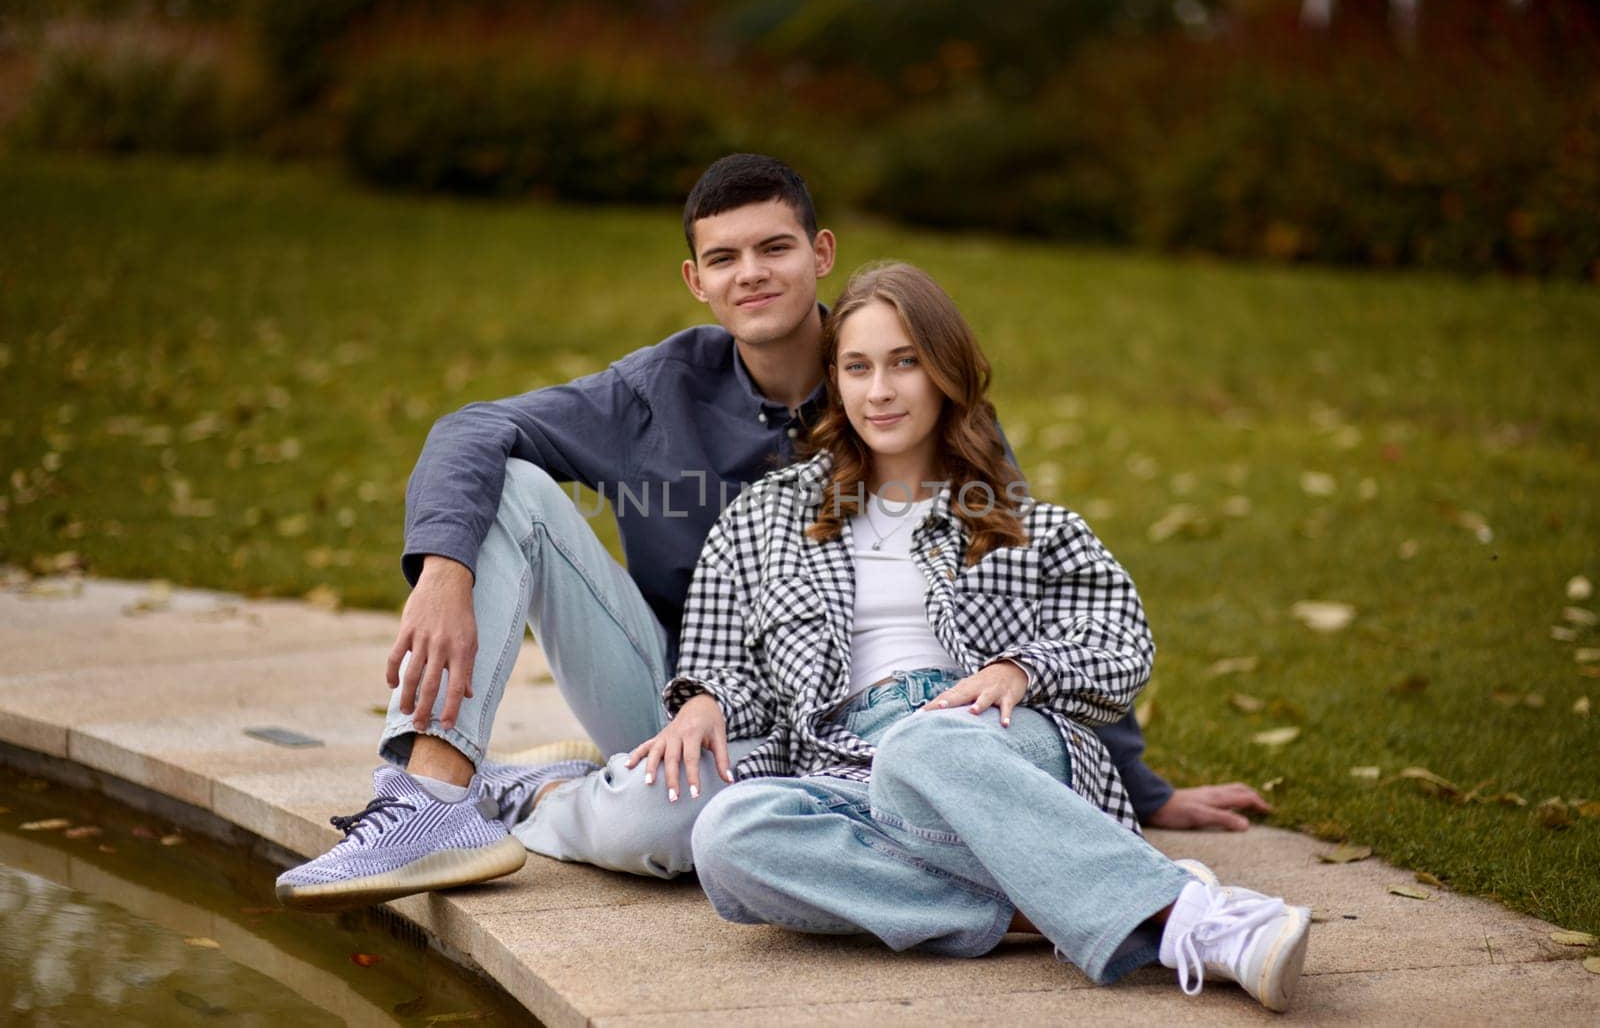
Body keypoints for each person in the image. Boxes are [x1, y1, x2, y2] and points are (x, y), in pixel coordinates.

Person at [274, 154, 1268, 910]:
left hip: (848, 731)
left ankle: (540, 798)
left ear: (819, 253)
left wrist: (1135, 784)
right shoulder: (653, 389)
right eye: (724, 257)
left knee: (676, 843)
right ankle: (433, 799)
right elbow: (472, 429)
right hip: (684, 700)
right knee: (512, 490)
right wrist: (444, 565)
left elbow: (1021, 593)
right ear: (696, 279)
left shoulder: (904, 385)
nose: (752, 273)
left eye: (774, 247)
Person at [654, 262, 1310, 1010]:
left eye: (906, 362)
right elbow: (719, 659)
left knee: (922, 743)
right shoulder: (763, 518)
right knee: (730, 834)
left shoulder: (1028, 526)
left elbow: (1121, 638)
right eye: (858, 367)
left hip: (995, 741)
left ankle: (1208, 925)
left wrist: (1021, 669)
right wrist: (703, 698)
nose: (881, 391)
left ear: (945, 373)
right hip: (849, 773)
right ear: (833, 382)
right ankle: (1124, 908)